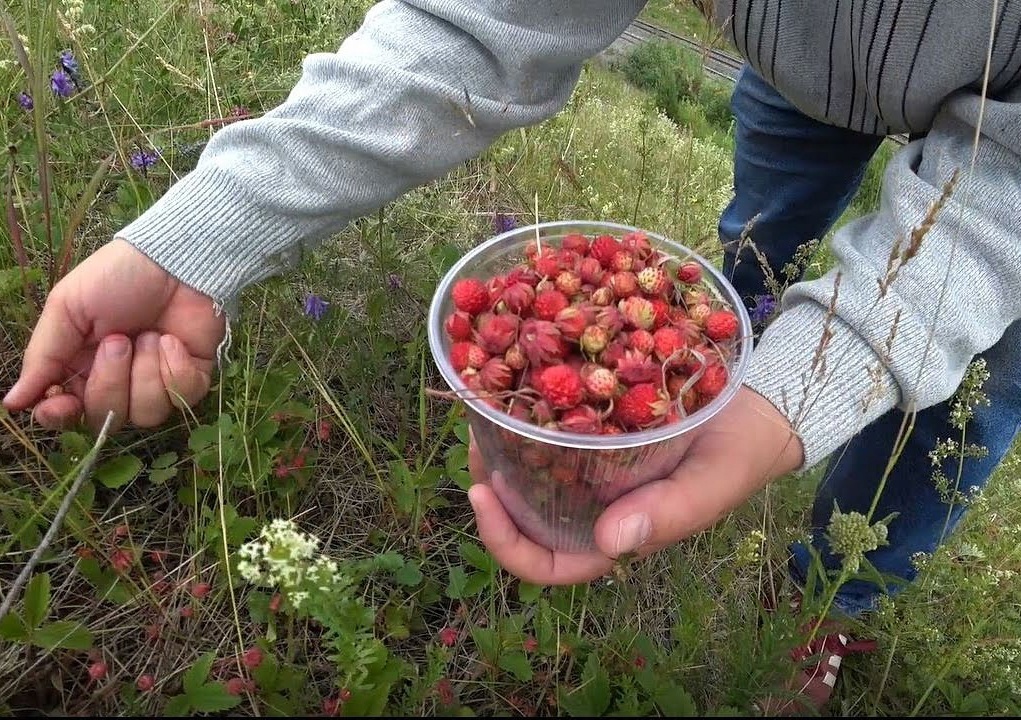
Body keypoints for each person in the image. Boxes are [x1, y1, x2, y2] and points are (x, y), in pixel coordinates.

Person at [4, 0, 1019, 713]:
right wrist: (194, 235)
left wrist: (791, 404)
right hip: (794, 81)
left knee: (963, 399)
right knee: (746, 269)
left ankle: (833, 598)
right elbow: (476, 23)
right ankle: (720, 391)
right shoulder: (578, 341)